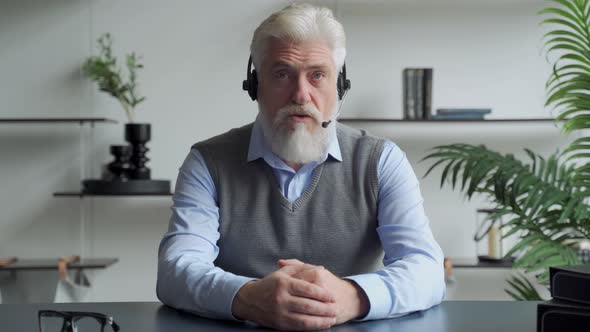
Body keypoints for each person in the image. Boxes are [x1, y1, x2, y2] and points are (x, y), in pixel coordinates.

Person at [157, 3, 445, 330]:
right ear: (255, 85)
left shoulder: (381, 160)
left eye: (317, 75)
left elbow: (426, 269)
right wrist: (248, 297)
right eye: (281, 74)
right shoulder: (208, 162)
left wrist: (351, 296)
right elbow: (175, 269)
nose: (300, 94)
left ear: (340, 87)